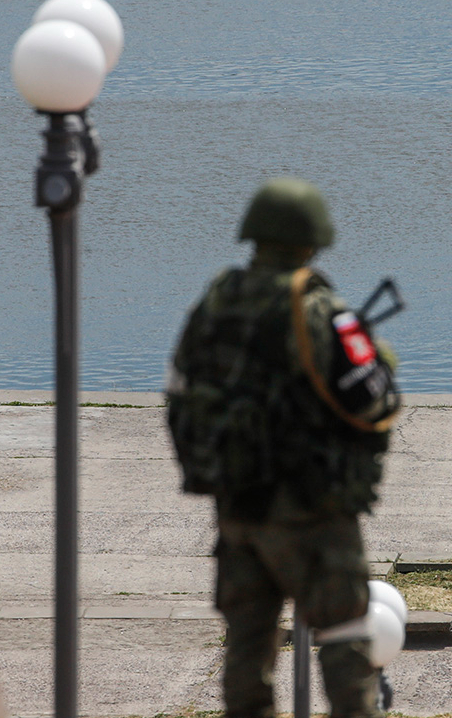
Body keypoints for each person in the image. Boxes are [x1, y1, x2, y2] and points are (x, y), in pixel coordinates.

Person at [167, 177, 399, 718]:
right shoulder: (318, 308)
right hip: (311, 509)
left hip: (236, 504)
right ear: (313, 238)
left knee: (248, 645)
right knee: (345, 634)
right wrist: (380, 356)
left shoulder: (216, 299)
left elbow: (180, 392)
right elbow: (373, 401)